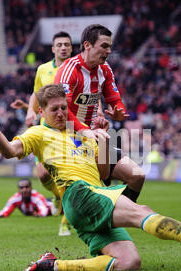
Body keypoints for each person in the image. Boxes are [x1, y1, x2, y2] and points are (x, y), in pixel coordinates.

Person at [0, 84, 181, 271]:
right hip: (78, 193)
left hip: (89, 198)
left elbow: (102, 174)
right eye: (54, 109)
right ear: (41, 111)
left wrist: (103, 138)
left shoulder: (81, 134)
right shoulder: (38, 134)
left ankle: (53, 265)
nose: (62, 113)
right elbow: (9, 152)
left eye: (64, 107)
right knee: (142, 211)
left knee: (129, 262)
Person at [54, 24, 145, 204]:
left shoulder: (105, 69)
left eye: (110, 47)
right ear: (87, 45)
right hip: (70, 140)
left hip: (96, 139)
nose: (109, 51)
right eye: (104, 46)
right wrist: (86, 131)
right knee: (95, 190)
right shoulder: (69, 70)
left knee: (137, 176)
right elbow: (63, 113)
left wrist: (119, 113)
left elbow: (114, 99)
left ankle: (120, 215)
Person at [10, 31, 74, 236]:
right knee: (43, 173)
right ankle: (58, 197)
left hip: (70, 126)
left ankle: (66, 222)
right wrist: (29, 110)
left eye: (67, 44)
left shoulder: (77, 69)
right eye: (59, 45)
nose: (63, 48)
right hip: (46, 127)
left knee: (68, 174)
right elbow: (37, 94)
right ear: (53, 48)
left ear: (72, 48)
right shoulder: (43, 69)